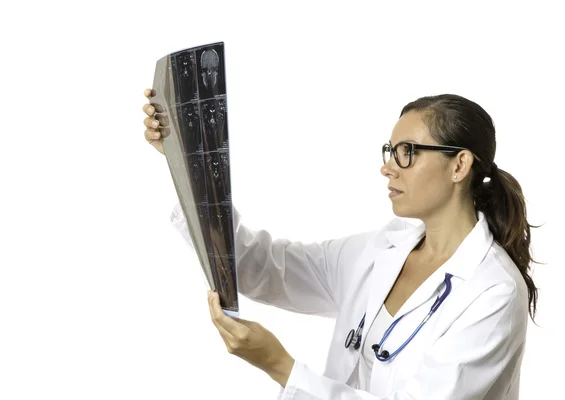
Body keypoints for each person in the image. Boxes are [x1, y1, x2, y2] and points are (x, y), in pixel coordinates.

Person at [142, 89, 539, 399]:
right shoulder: (384, 248)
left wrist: (280, 366)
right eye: (390, 151)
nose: (387, 167)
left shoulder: (494, 291)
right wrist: (186, 160)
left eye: (407, 153)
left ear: (459, 165)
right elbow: (264, 267)